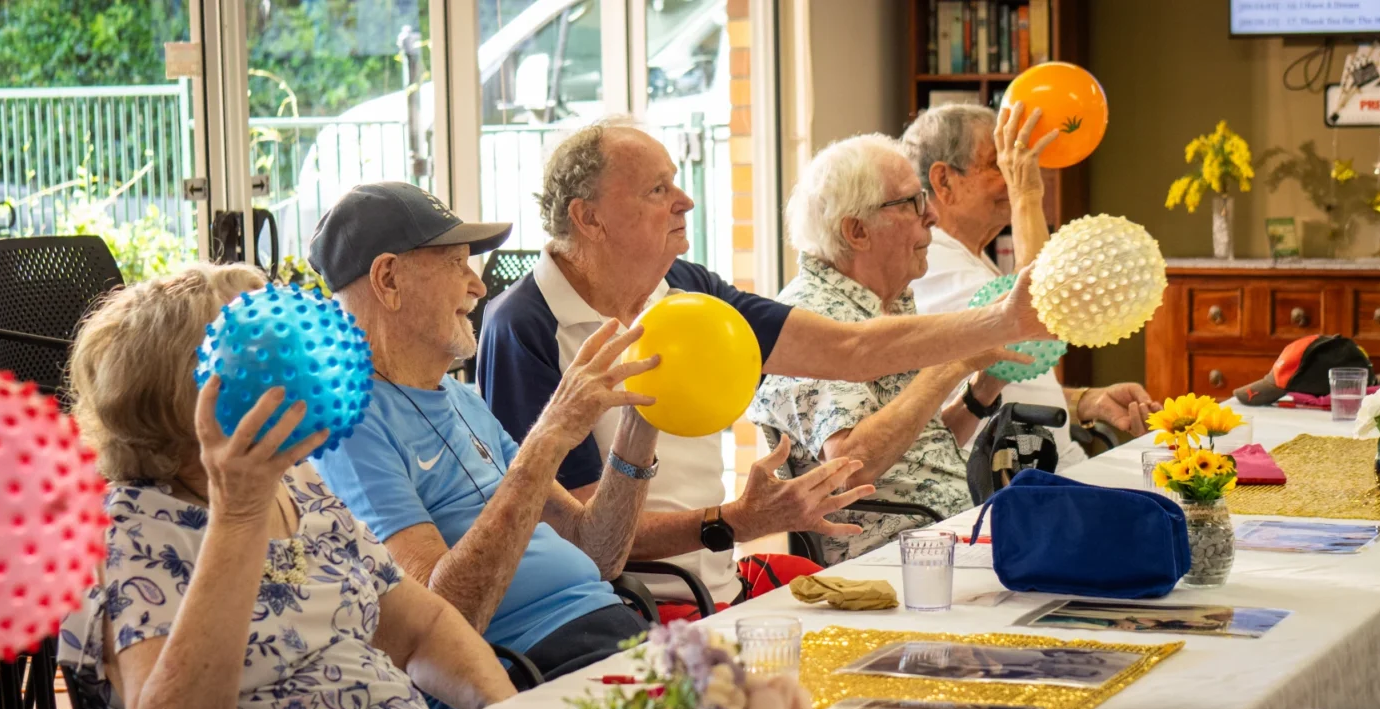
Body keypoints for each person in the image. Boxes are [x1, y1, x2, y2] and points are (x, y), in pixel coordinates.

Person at [480, 119, 1052, 604]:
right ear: (589, 218)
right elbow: (584, 540)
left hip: (719, 584)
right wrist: (734, 521)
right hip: (636, 606)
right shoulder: (523, 326)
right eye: (658, 190)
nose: (686, 201)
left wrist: (1004, 321)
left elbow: (849, 350)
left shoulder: (687, 288)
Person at [60, 263, 516, 709]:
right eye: (262, 353)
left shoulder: (298, 483)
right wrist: (239, 512)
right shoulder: (126, 527)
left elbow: (422, 629)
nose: (294, 367)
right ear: (193, 390)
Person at [306, 182, 661, 683]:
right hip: (534, 666)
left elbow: (596, 553)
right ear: (389, 280)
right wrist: (550, 437)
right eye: (456, 264)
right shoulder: (348, 425)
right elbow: (443, 619)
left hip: (613, 634)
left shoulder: (463, 399)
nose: (477, 286)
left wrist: (640, 423)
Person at [747, 133, 1023, 563]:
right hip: (892, 556)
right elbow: (849, 466)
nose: (931, 214)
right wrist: (951, 363)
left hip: (944, 533)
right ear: (857, 231)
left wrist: (981, 388)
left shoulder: (884, 305)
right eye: (911, 203)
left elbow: (913, 452)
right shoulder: (810, 322)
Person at [903, 102, 1160, 470]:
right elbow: (1035, 325)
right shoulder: (935, 264)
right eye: (998, 164)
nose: (1013, 174)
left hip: (1052, 462)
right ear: (944, 181)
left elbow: (1009, 375)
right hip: (1012, 479)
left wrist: (1085, 401)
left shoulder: (974, 257)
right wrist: (1026, 195)